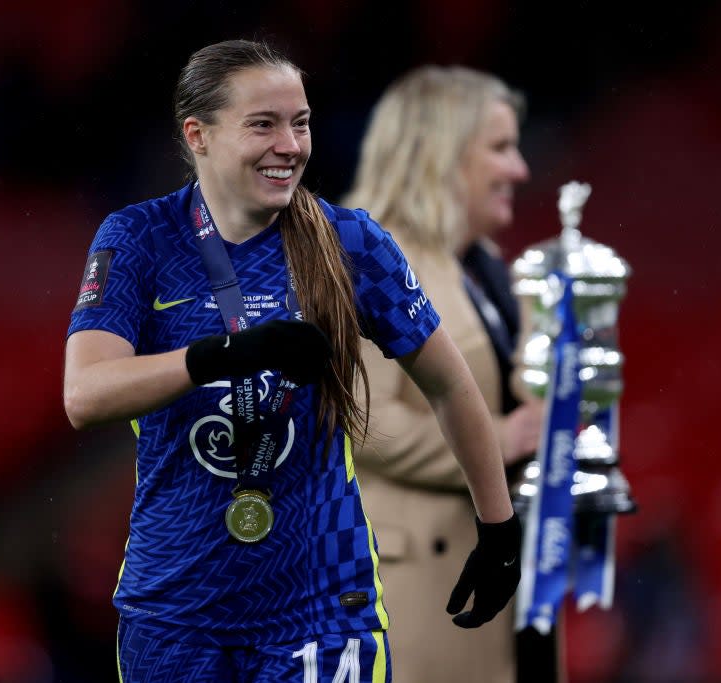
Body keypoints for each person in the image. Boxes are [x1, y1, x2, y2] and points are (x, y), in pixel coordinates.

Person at [62, 40, 521, 683]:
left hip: (322, 609)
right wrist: (226, 354)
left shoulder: (352, 242)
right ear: (198, 134)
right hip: (174, 614)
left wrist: (498, 528)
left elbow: (450, 385)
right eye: (263, 124)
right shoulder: (138, 238)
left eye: (300, 122)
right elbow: (85, 394)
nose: (291, 144)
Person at [343, 65, 549, 682]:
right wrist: (502, 439)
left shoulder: (485, 268)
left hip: (489, 568)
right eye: (500, 148)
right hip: (413, 591)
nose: (520, 170)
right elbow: (364, 420)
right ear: (442, 151)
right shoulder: (366, 258)